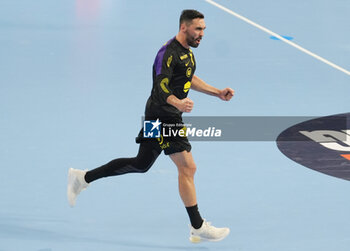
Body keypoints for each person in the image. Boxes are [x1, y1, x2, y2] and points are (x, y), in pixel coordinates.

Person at [67, 9, 234, 243]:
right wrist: (178, 102)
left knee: (141, 163)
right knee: (187, 167)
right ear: (184, 27)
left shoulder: (187, 53)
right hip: (162, 116)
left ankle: (82, 178)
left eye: (204, 29)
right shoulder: (167, 53)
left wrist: (217, 92)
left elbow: (187, 78)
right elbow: (161, 86)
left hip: (161, 115)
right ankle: (197, 226)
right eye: (198, 29)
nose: (202, 34)